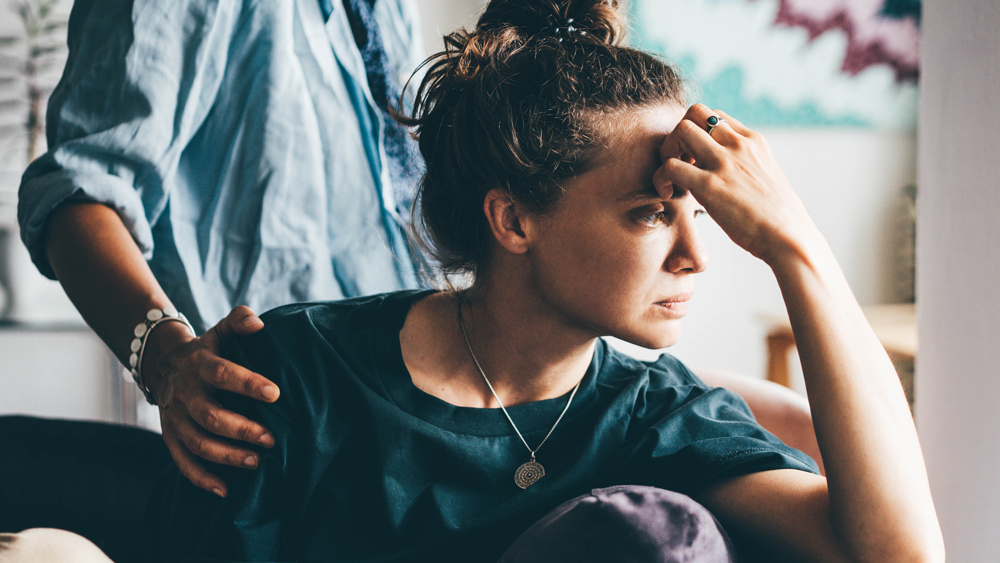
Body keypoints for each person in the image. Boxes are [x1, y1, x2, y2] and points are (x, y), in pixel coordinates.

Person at [139, 1, 943, 561]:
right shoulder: (292, 373)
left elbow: (900, 553)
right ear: (514, 220)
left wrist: (797, 246)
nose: (695, 256)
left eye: (697, 213)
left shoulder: (654, 418)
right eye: (650, 213)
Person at [15, 0, 821, 507]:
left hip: (453, 349)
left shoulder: (379, 13)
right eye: (651, 214)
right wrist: (166, 357)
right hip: (307, 397)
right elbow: (80, 190)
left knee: (790, 421)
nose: (694, 254)